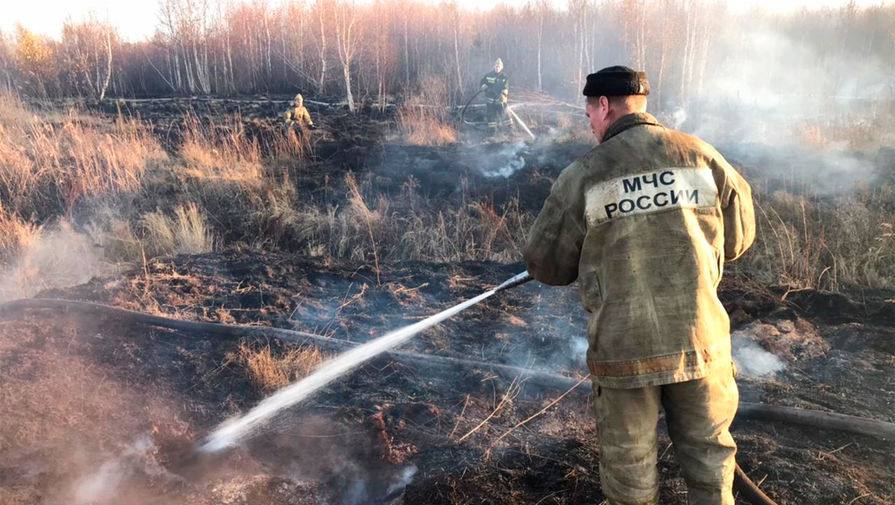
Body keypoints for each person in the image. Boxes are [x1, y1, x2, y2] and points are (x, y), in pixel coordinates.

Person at [523, 66, 755, 505]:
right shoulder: (702, 156)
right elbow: (740, 236)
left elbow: (545, 264)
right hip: (700, 345)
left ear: (605, 106)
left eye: (589, 112)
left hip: (625, 356)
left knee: (630, 484)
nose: (589, 123)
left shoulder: (584, 174)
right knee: (710, 472)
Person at [479, 58, 509, 128]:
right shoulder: (488, 75)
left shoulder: (504, 77)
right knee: (491, 116)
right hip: (490, 100)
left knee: (504, 114)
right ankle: (492, 131)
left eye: (499, 66)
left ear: (501, 67)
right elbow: (482, 83)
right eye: (496, 66)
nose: (497, 68)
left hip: (500, 100)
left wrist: (503, 96)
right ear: (494, 66)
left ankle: (509, 129)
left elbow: (505, 88)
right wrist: (483, 86)